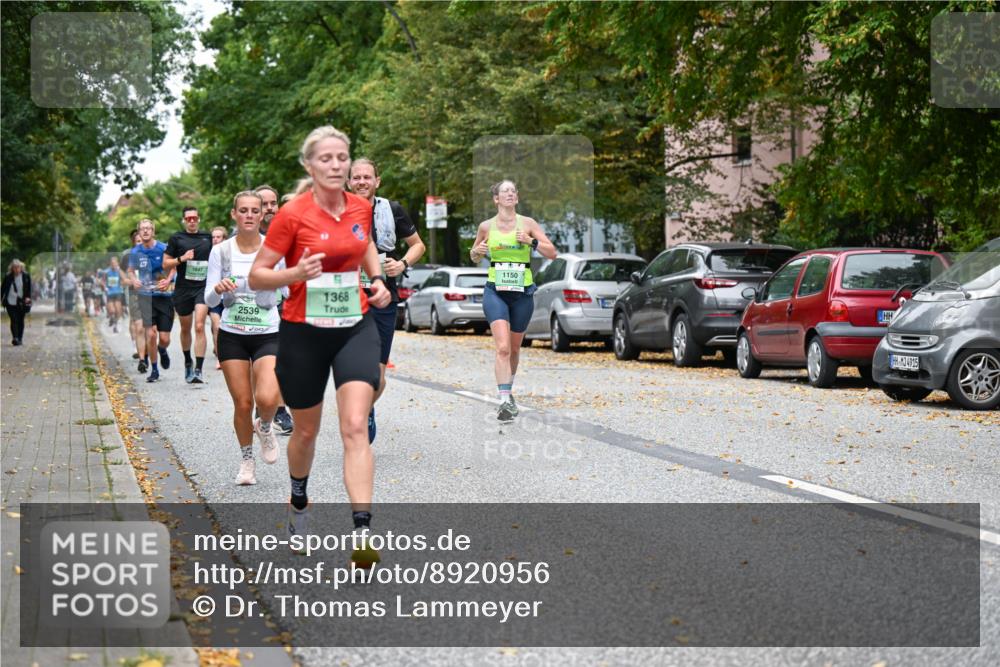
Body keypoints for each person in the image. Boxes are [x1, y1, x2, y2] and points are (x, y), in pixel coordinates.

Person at [249, 126, 391, 549]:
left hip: (354, 326)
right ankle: (298, 502)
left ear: (349, 164)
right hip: (303, 332)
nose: (335, 165)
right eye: (325, 158)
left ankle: (363, 534)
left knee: (354, 427)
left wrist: (378, 278)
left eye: (342, 157)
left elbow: (363, 245)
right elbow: (258, 275)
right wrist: (295, 274)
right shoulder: (292, 214)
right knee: (306, 432)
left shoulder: (361, 208)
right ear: (309, 166)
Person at [206, 192, 284, 485]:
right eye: (244, 210)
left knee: (267, 398)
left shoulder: (275, 248)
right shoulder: (221, 251)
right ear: (234, 214)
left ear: (262, 214)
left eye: (255, 210)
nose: (250, 215)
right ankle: (247, 460)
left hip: (267, 333)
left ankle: (265, 425)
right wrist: (219, 287)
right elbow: (208, 295)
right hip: (232, 335)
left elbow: (288, 286)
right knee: (242, 403)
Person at [348, 158, 426, 443]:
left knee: (378, 377)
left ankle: (367, 407)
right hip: (347, 297)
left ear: (377, 181)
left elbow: (418, 245)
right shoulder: (337, 210)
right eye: (356, 178)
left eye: (367, 177)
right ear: (348, 182)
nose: (362, 182)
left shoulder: (392, 210)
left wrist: (402, 263)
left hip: (384, 296)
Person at [470, 179, 557, 421]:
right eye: (504, 191)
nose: (509, 194)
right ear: (496, 199)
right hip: (495, 291)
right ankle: (505, 399)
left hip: (523, 293)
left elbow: (552, 252)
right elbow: (474, 254)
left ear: (516, 198)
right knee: (503, 347)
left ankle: (509, 388)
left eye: (513, 191)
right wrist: (476, 252)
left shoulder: (528, 224)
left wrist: (532, 242)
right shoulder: (486, 226)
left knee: (516, 348)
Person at [253, 184, 294, 435]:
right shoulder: (246, 237)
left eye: (272, 203)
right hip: (253, 307)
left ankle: (278, 409)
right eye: (264, 204)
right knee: (259, 363)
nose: (269, 208)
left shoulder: (289, 230)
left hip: (284, 304)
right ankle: (264, 405)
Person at [164, 207, 214, 384]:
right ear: (184, 220)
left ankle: (199, 370)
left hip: (202, 287)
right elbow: (165, 263)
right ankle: (188, 361)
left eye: (194, 218)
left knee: (199, 326)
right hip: (183, 289)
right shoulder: (176, 238)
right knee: (186, 328)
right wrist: (181, 259)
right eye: (188, 218)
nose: (191, 221)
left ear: (198, 219)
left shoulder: (207, 238)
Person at [128, 218, 176, 383]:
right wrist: (134, 280)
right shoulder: (135, 252)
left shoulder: (164, 248)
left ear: (153, 231)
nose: (146, 231)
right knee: (151, 334)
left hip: (164, 296)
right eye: (143, 229)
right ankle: (154, 370)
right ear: (139, 232)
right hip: (146, 297)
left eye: (148, 228)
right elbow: (131, 271)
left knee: (164, 338)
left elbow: (173, 268)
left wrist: (168, 280)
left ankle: (163, 350)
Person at [123, 230, 147, 368]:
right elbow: (123, 275)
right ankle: (138, 352)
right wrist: (130, 281)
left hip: (150, 294)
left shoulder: (152, 253)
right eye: (138, 241)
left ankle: (148, 350)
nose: (141, 243)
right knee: (137, 324)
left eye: (142, 240)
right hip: (133, 294)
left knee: (149, 328)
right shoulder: (128, 256)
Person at [209, 226, 227, 370]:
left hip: (228, 297)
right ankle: (220, 358)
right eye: (213, 237)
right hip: (215, 297)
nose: (215, 239)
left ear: (224, 238)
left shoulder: (231, 253)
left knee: (225, 327)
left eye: (218, 237)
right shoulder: (208, 253)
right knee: (216, 326)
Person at [2, 259, 32, 345]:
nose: (16, 269)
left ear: (21, 268)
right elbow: (3, 289)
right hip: (10, 302)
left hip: (21, 302)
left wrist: (28, 300)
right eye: (14, 268)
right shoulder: (8, 276)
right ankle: (15, 338)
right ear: (12, 268)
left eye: (18, 267)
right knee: (14, 319)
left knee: (20, 320)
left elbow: (29, 290)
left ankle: (20, 338)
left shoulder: (26, 276)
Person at [102, 256, 125, 332]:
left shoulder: (119, 271)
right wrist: (105, 287)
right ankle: (112, 318)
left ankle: (115, 324)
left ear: (117, 263)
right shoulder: (106, 271)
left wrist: (119, 270)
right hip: (110, 292)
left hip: (118, 292)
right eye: (112, 263)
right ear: (110, 264)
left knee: (118, 310)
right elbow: (103, 281)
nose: (113, 264)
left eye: (115, 263)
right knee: (112, 310)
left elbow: (124, 278)